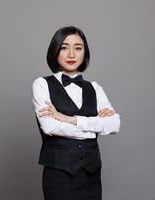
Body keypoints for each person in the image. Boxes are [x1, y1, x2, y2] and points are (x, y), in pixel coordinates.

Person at [32, 26, 120, 200]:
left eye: (78, 48)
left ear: (84, 53)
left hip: (91, 175)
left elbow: (114, 124)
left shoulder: (94, 87)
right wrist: (95, 127)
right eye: (64, 48)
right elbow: (50, 127)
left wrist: (69, 119)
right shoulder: (42, 84)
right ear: (55, 50)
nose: (71, 54)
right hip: (59, 176)